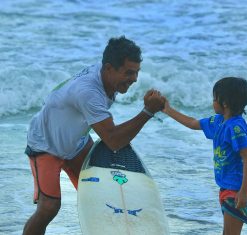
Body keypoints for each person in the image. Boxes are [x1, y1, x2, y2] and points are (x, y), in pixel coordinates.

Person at [23, 36, 165, 235]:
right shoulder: (89, 92)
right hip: (46, 145)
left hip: (77, 143)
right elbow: (113, 140)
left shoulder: (108, 77)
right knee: (49, 208)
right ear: (108, 68)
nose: (134, 79)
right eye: (129, 73)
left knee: (103, 197)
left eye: (136, 73)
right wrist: (147, 112)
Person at [163, 77, 247, 235]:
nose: (212, 102)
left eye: (214, 98)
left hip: (237, 190)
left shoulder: (235, 128)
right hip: (227, 188)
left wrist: (244, 192)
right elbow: (193, 123)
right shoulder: (218, 121)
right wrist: (167, 110)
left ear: (224, 103)